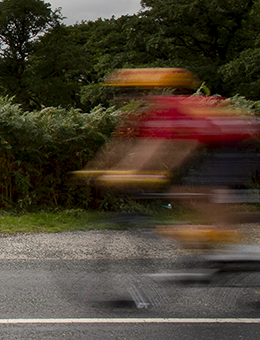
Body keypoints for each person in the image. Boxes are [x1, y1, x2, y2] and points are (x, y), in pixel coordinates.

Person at [78, 69, 260, 249]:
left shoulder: (168, 109)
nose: (125, 99)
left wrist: (134, 172)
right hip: (220, 145)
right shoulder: (146, 115)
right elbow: (121, 144)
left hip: (240, 142)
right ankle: (220, 241)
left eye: (129, 94)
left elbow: (157, 148)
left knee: (201, 191)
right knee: (188, 193)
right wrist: (95, 169)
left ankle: (226, 243)